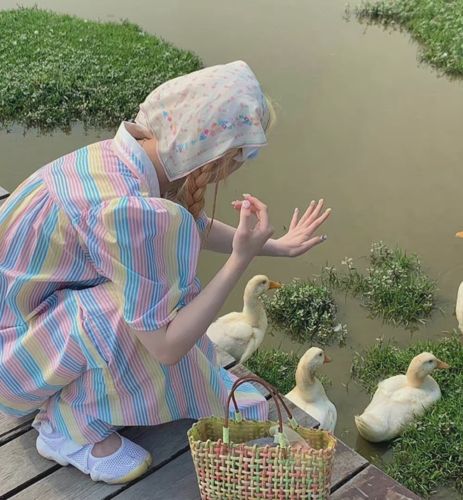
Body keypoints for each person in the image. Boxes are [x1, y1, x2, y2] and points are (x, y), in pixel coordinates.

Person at [0, 61, 330, 483]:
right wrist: (240, 259)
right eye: (244, 156)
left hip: (25, 329)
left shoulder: (119, 159)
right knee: (141, 309)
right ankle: (68, 429)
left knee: (154, 288)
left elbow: (190, 224)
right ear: (221, 160)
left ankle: (100, 389)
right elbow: (167, 346)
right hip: (14, 364)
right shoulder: (134, 211)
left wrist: (275, 246)